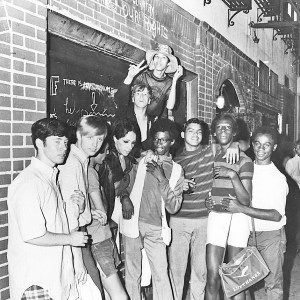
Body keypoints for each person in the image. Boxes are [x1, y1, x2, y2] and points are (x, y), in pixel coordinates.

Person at [7, 118, 88, 300]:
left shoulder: (49, 178)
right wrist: (71, 239)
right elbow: (33, 235)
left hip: (54, 280)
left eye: (66, 142)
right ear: (39, 144)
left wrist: (78, 208)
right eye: (57, 141)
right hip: (37, 282)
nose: (63, 147)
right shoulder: (30, 182)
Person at [168, 118, 244, 300]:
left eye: (199, 132)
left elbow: (244, 142)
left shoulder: (210, 151)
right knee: (176, 272)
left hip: (204, 220)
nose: (195, 135)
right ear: (182, 134)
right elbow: (165, 191)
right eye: (191, 131)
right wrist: (178, 185)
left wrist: (235, 144)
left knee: (200, 272)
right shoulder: (174, 161)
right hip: (179, 221)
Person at [122, 118, 184, 300]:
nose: (159, 144)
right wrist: (125, 198)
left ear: (172, 142)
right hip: (133, 224)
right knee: (133, 274)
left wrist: (161, 177)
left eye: (163, 140)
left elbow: (173, 207)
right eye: (156, 139)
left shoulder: (177, 170)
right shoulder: (143, 160)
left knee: (160, 276)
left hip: (157, 229)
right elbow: (124, 186)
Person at [225, 126, 288, 300]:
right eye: (258, 144)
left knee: (273, 284)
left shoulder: (278, 178)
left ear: (274, 147)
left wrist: (240, 208)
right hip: (246, 233)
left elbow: (276, 215)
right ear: (252, 145)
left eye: (267, 145)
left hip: (270, 236)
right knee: (243, 283)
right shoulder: (246, 168)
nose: (261, 149)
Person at [205, 113, 253, 300]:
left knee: (236, 278)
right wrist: (207, 200)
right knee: (212, 276)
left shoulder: (244, 160)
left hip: (237, 216)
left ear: (234, 132)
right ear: (214, 133)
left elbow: (246, 200)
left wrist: (232, 175)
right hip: (217, 215)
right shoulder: (213, 153)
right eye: (219, 127)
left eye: (227, 127)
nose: (223, 130)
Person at [58, 115, 107, 291]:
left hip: (76, 237)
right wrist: (77, 261)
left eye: (100, 139)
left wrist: (87, 211)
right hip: (73, 240)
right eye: (90, 137)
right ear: (78, 135)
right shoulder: (73, 164)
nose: (95, 144)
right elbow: (70, 217)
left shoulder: (80, 161)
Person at [87, 141, 128, 300]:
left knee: (110, 294)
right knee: (119, 296)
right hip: (98, 240)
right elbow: (103, 210)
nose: (105, 156)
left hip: (102, 237)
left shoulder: (93, 171)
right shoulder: (89, 172)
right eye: (103, 152)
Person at [133, 44, 183, 120]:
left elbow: (170, 106)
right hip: (136, 116)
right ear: (153, 59)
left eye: (163, 58)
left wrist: (175, 80)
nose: (159, 61)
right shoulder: (143, 76)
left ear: (168, 63)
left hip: (154, 120)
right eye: (157, 56)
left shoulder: (169, 82)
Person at [114, 63, 154, 150]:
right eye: (138, 93)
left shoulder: (152, 121)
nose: (141, 97)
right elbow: (120, 98)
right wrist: (130, 77)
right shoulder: (125, 113)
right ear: (132, 98)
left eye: (145, 94)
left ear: (149, 100)